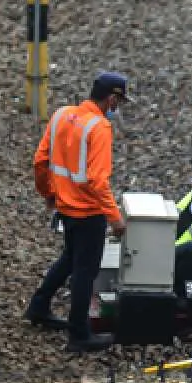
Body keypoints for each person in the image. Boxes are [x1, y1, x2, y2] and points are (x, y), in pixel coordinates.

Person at [25, 71, 131, 352]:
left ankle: (39, 306)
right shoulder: (100, 128)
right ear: (112, 99)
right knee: (85, 271)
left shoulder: (61, 114)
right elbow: (97, 180)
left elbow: (40, 160)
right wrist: (115, 217)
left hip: (65, 206)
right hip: (88, 213)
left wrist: (49, 193)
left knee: (70, 258)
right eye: (119, 102)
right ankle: (79, 334)